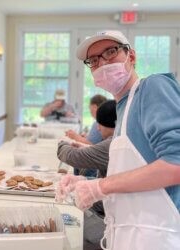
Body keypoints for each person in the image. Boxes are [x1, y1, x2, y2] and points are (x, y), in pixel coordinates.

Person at [57, 30, 180, 249]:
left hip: (156, 239)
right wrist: (87, 184)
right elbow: (139, 172)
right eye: (93, 60)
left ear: (131, 57)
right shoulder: (123, 108)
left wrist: (101, 186)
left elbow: (175, 164)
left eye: (110, 52)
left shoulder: (152, 87)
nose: (102, 64)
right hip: (128, 235)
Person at [56, 100, 116, 248]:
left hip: (110, 216)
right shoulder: (117, 140)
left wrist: (62, 143)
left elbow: (72, 157)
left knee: (72, 230)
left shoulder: (113, 144)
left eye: (100, 124)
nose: (97, 127)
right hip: (110, 209)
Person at [65, 94, 107, 177]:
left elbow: (90, 144)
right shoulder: (101, 121)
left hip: (94, 167)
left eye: (90, 109)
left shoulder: (99, 122)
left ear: (94, 107)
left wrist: (75, 136)